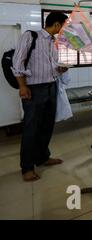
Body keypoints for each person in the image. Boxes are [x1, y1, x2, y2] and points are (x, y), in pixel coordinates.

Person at [12, 11, 69, 182]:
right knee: (31, 128)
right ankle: (27, 167)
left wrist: (60, 69)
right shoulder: (31, 37)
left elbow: (51, 65)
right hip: (34, 90)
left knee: (47, 126)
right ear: (57, 24)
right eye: (64, 26)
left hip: (51, 87)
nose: (63, 30)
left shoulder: (53, 42)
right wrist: (22, 86)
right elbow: (17, 62)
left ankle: (42, 157)